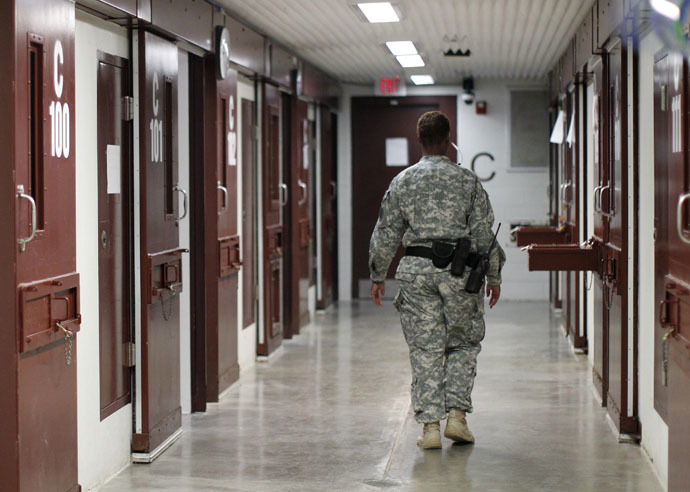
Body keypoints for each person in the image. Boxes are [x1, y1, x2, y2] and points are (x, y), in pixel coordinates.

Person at [368, 110, 505, 449]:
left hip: (415, 274)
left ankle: (430, 428)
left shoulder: (402, 181)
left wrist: (377, 274)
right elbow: (483, 233)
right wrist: (494, 274)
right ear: (448, 141)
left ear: (420, 141)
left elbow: (386, 232)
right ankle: (457, 418)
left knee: (425, 348)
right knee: (461, 342)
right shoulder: (467, 180)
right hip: (459, 274)